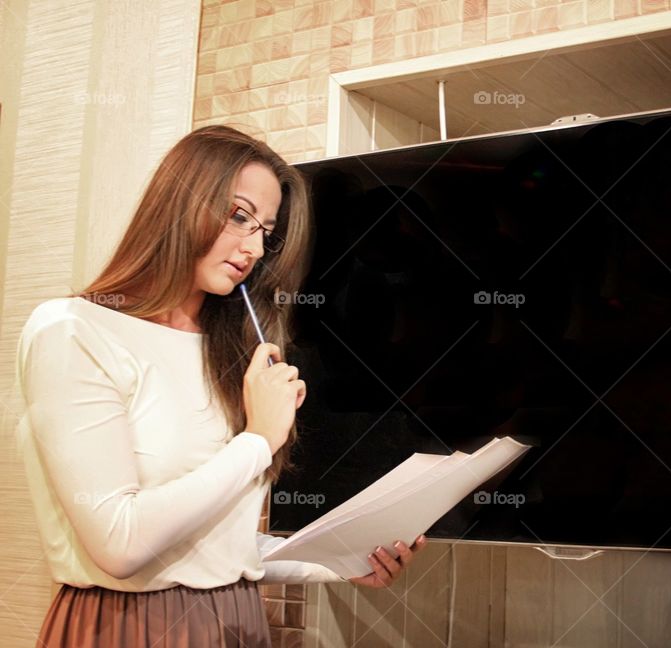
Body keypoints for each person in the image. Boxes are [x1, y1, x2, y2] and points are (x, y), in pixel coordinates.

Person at [14, 125, 427, 647]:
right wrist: (257, 440)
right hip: (129, 628)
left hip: (237, 620)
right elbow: (120, 544)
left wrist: (338, 565)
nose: (254, 247)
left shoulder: (224, 351)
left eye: (266, 232)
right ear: (177, 204)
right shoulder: (73, 330)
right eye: (239, 216)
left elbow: (214, 547)